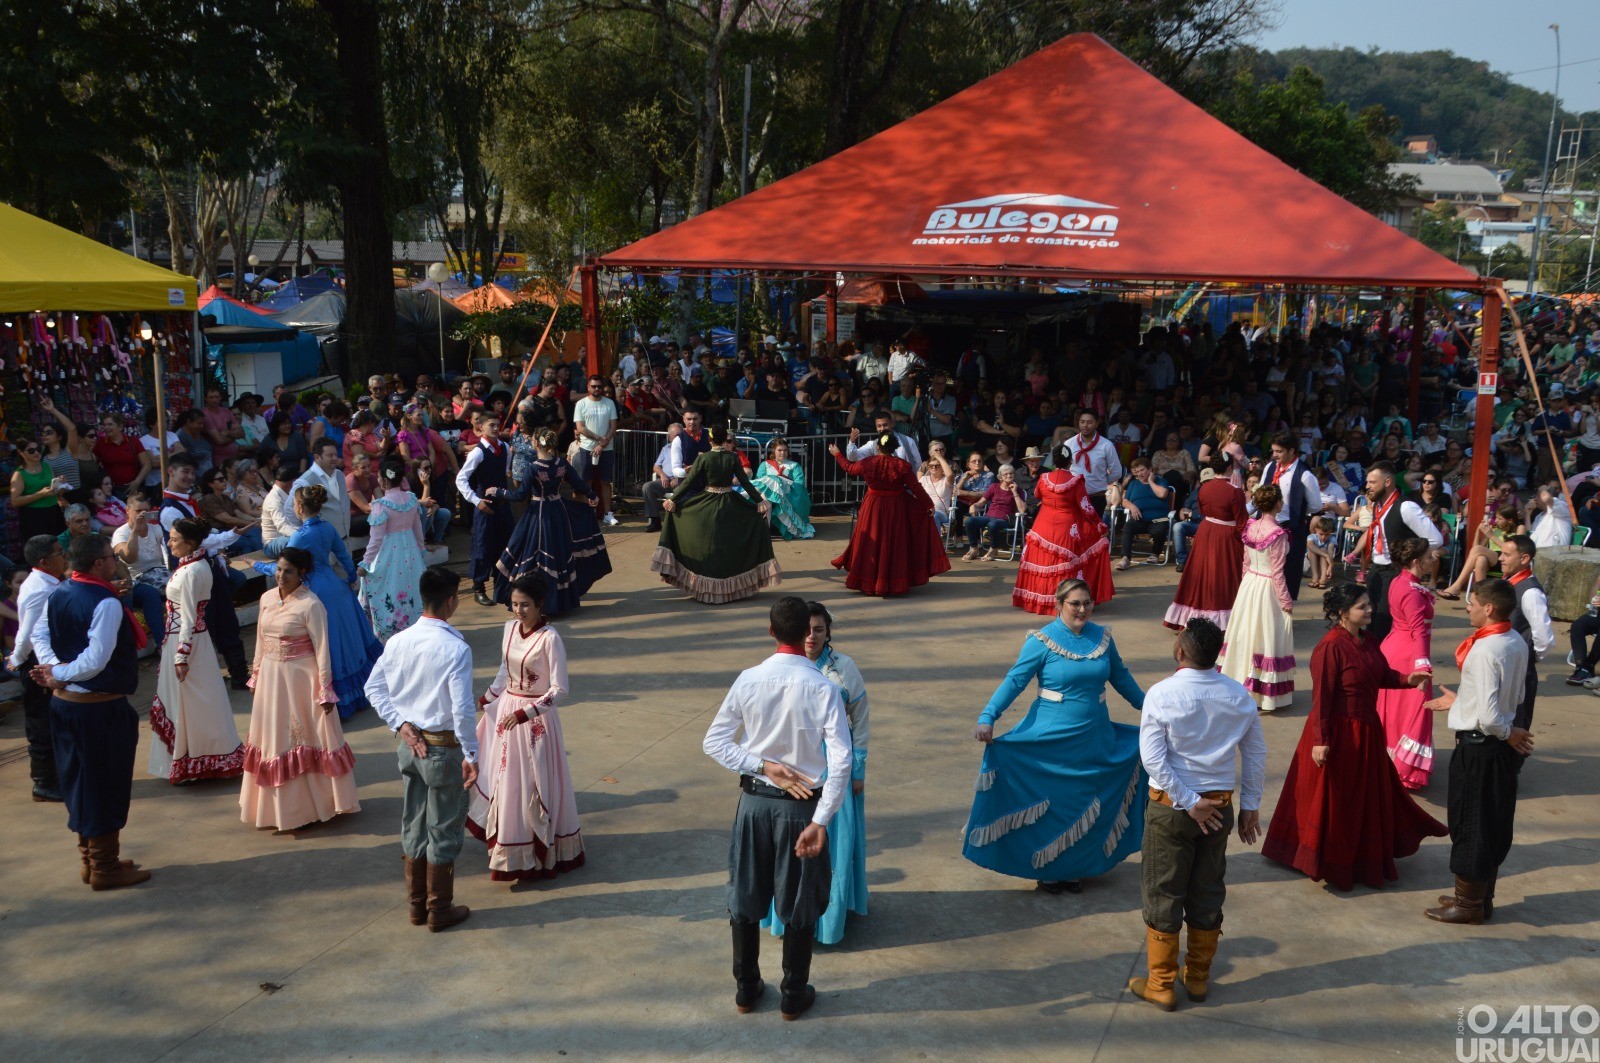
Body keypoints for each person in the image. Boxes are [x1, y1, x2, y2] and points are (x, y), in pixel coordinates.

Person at [702, 596, 852, 1020]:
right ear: (808, 632)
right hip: (802, 809)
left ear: (771, 632)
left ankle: (747, 989)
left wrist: (762, 764)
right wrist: (822, 819)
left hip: (753, 804)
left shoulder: (748, 679)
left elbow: (714, 742)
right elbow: (841, 758)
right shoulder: (823, 687)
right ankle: (793, 994)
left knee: (745, 897)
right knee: (801, 901)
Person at [964, 578, 1147, 893]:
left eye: (1087, 603)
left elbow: (1121, 677)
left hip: (1095, 737)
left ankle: (1075, 868)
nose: (1082, 609)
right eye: (1074, 603)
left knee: (1086, 799)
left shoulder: (1102, 637)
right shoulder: (1042, 640)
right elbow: (1015, 680)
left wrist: (1152, 709)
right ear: (1059, 604)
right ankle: (1049, 871)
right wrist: (988, 716)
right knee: (1055, 802)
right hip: (1051, 740)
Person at [1261, 583, 1445, 890]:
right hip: (1337, 733)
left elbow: (1381, 675)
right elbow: (1323, 698)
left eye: (1369, 604)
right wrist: (1321, 741)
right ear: (1342, 612)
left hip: (1367, 731)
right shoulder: (1330, 647)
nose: (1370, 610)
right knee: (1337, 800)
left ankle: (1360, 856)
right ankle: (1326, 859)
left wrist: (1406, 679)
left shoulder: (1369, 639)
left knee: (1365, 799)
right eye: (1362, 606)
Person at [1125, 618, 1266, 1012]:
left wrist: (1189, 800)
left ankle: (1162, 985)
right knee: (1207, 891)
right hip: (1219, 808)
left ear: (1180, 651)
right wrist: (1250, 806)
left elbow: (1153, 759)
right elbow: (1255, 753)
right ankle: (1198, 980)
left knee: (1163, 891)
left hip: (1172, 809)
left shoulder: (1162, 693)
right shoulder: (1238, 695)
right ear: (1216, 653)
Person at [30, 534, 151, 890]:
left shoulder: (61, 591)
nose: (115, 560)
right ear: (98, 563)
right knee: (104, 784)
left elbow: (39, 635)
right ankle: (105, 867)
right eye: (111, 556)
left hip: (65, 705)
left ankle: (93, 860)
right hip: (96, 710)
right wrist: (60, 673)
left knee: (79, 782)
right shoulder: (105, 603)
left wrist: (54, 671)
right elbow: (96, 660)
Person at [366, 565, 478, 931]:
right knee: (443, 828)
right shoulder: (455, 647)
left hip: (410, 747)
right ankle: (439, 908)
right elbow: (461, 710)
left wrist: (401, 726)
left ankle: (417, 907)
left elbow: (374, 688)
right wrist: (472, 754)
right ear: (451, 601)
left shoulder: (398, 641)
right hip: (443, 750)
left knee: (412, 824)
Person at [1420, 578, 1534, 924]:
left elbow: (1488, 716)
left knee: (1471, 823)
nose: (1467, 607)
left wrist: (1505, 732)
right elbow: (1509, 698)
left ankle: (1468, 904)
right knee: (1492, 821)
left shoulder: (1485, 651)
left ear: (1489, 608)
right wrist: (1462, 703)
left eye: (1472, 602)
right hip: (1497, 749)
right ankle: (1479, 896)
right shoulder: (1513, 640)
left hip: (1481, 748)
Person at [762, 602, 870, 945]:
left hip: (835, 765)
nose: (812, 636)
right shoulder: (782, 667)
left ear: (828, 632)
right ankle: (787, 912)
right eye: (807, 629)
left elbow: (861, 718)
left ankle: (829, 918)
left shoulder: (845, 668)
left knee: (833, 843)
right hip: (794, 764)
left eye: (819, 630)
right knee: (791, 842)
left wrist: (857, 769)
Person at [466, 574, 586, 881]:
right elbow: (504, 670)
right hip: (506, 711)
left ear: (540, 604)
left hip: (536, 720)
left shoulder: (550, 639)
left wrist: (526, 713)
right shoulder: (508, 629)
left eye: (525, 605)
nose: (518, 611)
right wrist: (489, 697)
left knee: (535, 782)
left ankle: (538, 848)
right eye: (514, 604)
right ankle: (509, 845)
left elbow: (560, 690)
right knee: (506, 781)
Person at [240, 547, 360, 831]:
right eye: (279, 569)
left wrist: (325, 689)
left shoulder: (311, 605)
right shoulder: (267, 598)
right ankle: (275, 809)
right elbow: (259, 639)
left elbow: (322, 649)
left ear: (302, 574)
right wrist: (255, 674)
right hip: (271, 678)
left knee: (304, 736)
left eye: (288, 571)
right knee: (273, 738)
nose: (281, 576)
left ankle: (313, 806)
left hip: (301, 680)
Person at [256, 485, 382, 718]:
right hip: (337, 588)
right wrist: (352, 578)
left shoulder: (300, 536)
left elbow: (285, 567)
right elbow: (344, 556)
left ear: (300, 507)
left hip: (315, 592)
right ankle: (359, 693)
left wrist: (257, 565)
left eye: (294, 503)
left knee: (326, 643)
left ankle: (331, 700)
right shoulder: (327, 527)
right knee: (346, 639)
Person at [147, 518, 245, 784]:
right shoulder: (194, 564)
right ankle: (196, 757)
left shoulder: (192, 571)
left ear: (190, 542)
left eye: (174, 539)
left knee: (194, 701)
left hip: (187, 642)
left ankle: (198, 759)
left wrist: (181, 655)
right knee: (195, 701)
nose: (169, 542)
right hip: (186, 640)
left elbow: (189, 617)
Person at [492, 426, 611, 615]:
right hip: (559, 512)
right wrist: (592, 495)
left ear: (536, 443)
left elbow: (520, 496)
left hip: (539, 514)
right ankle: (559, 602)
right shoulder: (561, 464)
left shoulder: (533, 468)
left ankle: (541, 603)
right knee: (559, 553)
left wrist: (498, 492)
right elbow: (578, 483)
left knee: (532, 553)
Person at [654, 427, 781, 604]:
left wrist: (673, 499)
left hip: (707, 502)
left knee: (708, 544)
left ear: (710, 440)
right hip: (730, 502)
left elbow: (688, 482)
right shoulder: (732, 457)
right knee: (727, 544)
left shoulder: (703, 458)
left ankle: (706, 588)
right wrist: (759, 501)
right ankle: (730, 588)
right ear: (723, 441)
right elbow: (745, 482)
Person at [829, 433, 949, 596]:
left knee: (871, 540)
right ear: (894, 448)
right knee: (893, 542)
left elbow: (849, 467)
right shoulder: (902, 465)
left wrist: (837, 453)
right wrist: (928, 504)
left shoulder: (868, 462)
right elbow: (916, 487)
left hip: (873, 506)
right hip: (895, 506)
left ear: (878, 447)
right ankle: (893, 582)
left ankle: (869, 580)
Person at [1219, 484, 1296, 712]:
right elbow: (1277, 571)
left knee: (1246, 634)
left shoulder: (1250, 528)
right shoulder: (1278, 534)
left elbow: (1246, 562)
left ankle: (1238, 682)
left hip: (1250, 584)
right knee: (1265, 636)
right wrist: (1286, 601)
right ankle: (1263, 693)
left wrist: (1246, 585)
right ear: (1278, 504)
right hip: (1266, 587)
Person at [1348, 461, 1443, 642]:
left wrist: (1410, 559)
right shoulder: (1378, 505)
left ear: (1388, 482)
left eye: (1372, 482)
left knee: (1384, 625)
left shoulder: (1406, 507)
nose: (1367, 486)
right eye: (1367, 482)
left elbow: (1435, 539)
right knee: (1371, 621)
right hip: (1376, 570)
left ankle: (1384, 666)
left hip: (1395, 572)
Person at [1012, 442, 1113, 611]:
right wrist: (1100, 526)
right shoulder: (1075, 481)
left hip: (1042, 526)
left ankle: (1037, 601)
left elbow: (1037, 495)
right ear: (1070, 461)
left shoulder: (1044, 479)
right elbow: (1086, 507)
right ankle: (1064, 600)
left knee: (1042, 563)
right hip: (1067, 529)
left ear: (1054, 460)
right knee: (1071, 561)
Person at [1374, 537, 1440, 790]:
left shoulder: (1400, 580)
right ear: (1416, 562)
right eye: (1428, 557)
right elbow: (1418, 632)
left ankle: (1387, 760)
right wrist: (1422, 667)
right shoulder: (1412, 592)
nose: (1433, 559)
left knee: (1393, 710)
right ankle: (1405, 769)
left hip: (1394, 648)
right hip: (1408, 655)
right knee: (1413, 711)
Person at [9, 536, 67, 802]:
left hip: (49, 659)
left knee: (56, 720)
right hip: (37, 663)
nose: (64, 555)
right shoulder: (38, 588)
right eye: (59, 553)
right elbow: (28, 633)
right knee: (41, 723)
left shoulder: (52, 582)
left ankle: (59, 775)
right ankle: (43, 782)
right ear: (44, 562)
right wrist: (18, 659)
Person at [1163, 463, 1245, 631]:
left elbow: (1201, 509)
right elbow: (1241, 520)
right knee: (1222, 575)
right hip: (1225, 536)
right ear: (1229, 469)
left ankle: (1191, 617)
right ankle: (1222, 621)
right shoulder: (1235, 491)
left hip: (1205, 531)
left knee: (1200, 573)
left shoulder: (1204, 488)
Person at [358, 457, 429, 641]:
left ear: (385, 480)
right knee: (411, 587)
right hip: (411, 552)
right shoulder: (412, 499)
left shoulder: (381, 505)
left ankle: (390, 631)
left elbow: (376, 539)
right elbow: (418, 529)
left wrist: (365, 563)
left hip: (388, 553)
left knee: (388, 588)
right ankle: (414, 627)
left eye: (380, 477)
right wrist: (421, 551)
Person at [1499, 534, 1551, 769]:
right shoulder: (1511, 583)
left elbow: (1544, 637)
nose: (1501, 558)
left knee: (1517, 717)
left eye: (1507, 554)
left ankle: (1510, 769)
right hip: (1505, 662)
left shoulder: (1530, 592)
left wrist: (1530, 658)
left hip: (1520, 667)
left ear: (1525, 558)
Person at [455, 409, 515, 607]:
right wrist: (475, 500)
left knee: (504, 546)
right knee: (482, 547)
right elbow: (461, 479)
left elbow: (505, 472)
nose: (496, 428)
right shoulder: (478, 452)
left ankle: (502, 587)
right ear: (481, 427)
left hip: (502, 505)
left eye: (498, 425)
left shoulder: (505, 447)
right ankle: (478, 587)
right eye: (492, 425)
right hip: (484, 506)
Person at [1258, 433, 1323, 601]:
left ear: (1292, 451)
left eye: (1279, 451)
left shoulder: (1305, 475)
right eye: (1273, 451)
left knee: (1286, 573)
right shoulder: (1270, 467)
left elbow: (1316, 505)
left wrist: (1296, 510)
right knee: (1263, 572)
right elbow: (1260, 491)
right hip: (1265, 527)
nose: (1274, 455)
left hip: (1290, 530)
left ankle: (1282, 614)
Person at [571, 374, 620, 526]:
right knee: (586, 482)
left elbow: (613, 426)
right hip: (586, 448)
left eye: (599, 386)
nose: (597, 389)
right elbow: (580, 427)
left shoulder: (609, 403)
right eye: (594, 386)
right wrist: (600, 440)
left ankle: (608, 514)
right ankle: (587, 513)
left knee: (606, 482)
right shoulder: (581, 404)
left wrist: (602, 444)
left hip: (606, 448)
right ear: (588, 387)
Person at [1112, 457, 1174, 570]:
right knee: (1128, 527)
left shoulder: (1161, 481)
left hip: (1158, 519)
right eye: (1137, 471)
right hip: (1139, 519)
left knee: (1160, 530)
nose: (1140, 473)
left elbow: (1162, 494)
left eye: (1142, 470)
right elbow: (1124, 500)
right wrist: (1132, 507)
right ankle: (1125, 558)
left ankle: (1155, 554)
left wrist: (1150, 481)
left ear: (1150, 469)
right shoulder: (1134, 484)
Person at [753, 439, 815, 541]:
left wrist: (782, 482)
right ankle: (765, 531)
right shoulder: (765, 465)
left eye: (785, 450)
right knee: (766, 497)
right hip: (768, 496)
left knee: (772, 484)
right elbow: (760, 481)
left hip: (788, 496)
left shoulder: (794, 466)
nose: (783, 453)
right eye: (780, 450)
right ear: (774, 451)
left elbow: (799, 485)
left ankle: (765, 531)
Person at [1062, 410, 1122, 513]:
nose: (1085, 425)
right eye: (1082, 422)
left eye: (1089, 422)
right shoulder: (1069, 444)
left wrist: (1101, 481)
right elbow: (1062, 469)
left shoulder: (1106, 445)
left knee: (1094, 528)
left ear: (1096, 424)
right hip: (1073, 496)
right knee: (1074, 528)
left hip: (1096, 496)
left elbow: (1116, 472)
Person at [962, 463, 1026, 562]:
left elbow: (1022, 510)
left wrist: (1014, 492)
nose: (1009, 476)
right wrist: (973, 506)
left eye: (1011, 474)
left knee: (993, 524)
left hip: (1005, 519)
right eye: (1005, 474)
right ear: (1000, 477)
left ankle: (994, 549)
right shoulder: (994, 487)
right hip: (989, 516)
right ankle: (974, 548)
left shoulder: (1018, 490)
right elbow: (981, 502)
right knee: (969, 521)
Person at [295, 439, 351, 546]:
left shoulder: (339, 474)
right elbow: (292, 510)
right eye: (330, 455)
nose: (335, 458)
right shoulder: (305, 480)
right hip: (322, 544)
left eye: (336, 454)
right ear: (317, 457)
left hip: (345, 540)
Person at [11, 437, 69, 540]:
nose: (36, 453)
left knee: (59, 545)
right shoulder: (19, 474)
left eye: (38, 449)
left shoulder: (46, 466)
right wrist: (40, 494)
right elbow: (15, 501)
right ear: (21, 452)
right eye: (31, 451)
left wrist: (61, 485)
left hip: (53, 512)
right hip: (34, 516)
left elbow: (56, 494)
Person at [1306, 516, 1338, 590]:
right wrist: (1326, 555)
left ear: (1331, 532)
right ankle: (1315, 576)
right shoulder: (1312, 537)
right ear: (1316, 530)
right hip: (1309, 566)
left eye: (1327, 534)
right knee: (1313, 551)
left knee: (1323, 549)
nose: (1324, 537)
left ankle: (1323, 578)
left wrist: (1330, 566)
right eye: (1321, 534)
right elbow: (1310, 546)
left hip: (1324, 566)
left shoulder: (1332, 538)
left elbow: (1330, 552)